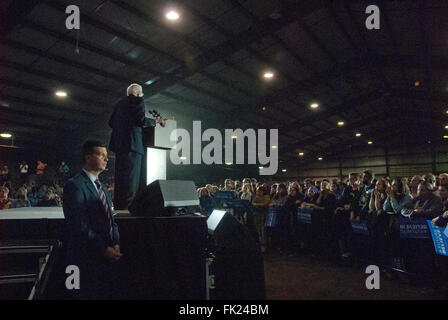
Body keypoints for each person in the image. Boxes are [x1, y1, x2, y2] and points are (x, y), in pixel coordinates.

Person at [63, 140, 122, 299]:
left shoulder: (102, 187)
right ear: (88, 157)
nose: (106, 158)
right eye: (101, 155)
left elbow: (111, 219)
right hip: (86, 260)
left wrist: (115, 243)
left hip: (107, 258)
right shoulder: (75, 185)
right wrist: (104, 248)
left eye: (106, 155)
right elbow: (79, 225)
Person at [108, 83, 166, 210]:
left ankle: (119, 208)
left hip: (119, 147)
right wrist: (156, 121)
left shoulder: (119, 103)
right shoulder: (138, 100)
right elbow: (140, 120)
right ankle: (128, 211)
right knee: (131, 182)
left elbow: (111, 122)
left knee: (121, 180)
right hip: (133, 146)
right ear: (139, 93)